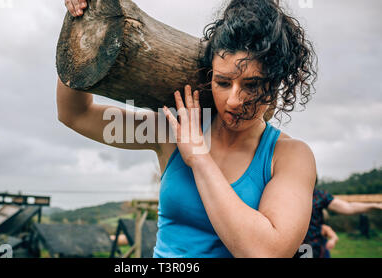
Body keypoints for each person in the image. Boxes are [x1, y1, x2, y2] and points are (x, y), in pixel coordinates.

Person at [58, 0, 318, 257]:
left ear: (276, 83)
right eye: (223, 82)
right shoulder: (173, 129)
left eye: (251, 85)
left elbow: (265, 252)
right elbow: (75, 114)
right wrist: (80, 23)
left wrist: (199, 159)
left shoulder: (290, 156)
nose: (234, 100)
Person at [301, 187, 382, 258]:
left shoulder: (318, 195)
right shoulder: (289, 192)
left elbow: (349, 207)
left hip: (314, 249)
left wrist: (374, 205)